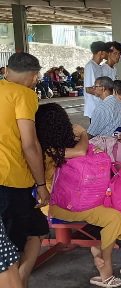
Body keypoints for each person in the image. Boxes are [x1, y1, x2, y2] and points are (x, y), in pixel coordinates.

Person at [36, 103, 121, 288]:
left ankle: (99, 250)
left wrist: (84, 140)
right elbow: (81, 151)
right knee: (114, 219)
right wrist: (82, 134)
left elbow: (85, 150)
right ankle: (105, 269)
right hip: (58, 204)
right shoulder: (47, 150)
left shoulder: (62, 143)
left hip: (84, 198)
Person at [0, 52, 50, 288]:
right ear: (34, 77)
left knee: (34, 229)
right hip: (11, 181)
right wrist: (41, 185)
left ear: (6, 71)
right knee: (11, 249)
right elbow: (29, 144)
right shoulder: (25, 95)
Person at [84, 41, 110, 120]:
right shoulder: (90, 66)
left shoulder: (98, 66)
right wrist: (105, 96)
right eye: (106, 52)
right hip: (94, 107)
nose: (108, 54)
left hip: (100, 106)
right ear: (101, 53)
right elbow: (88, 89)